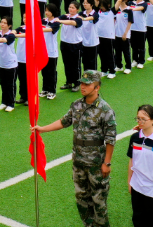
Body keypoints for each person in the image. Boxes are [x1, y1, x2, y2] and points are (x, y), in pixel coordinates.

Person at [32, 71, 117, 227]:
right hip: (78, 161)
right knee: (82, 200)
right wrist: (42, 129)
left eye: (87, 84)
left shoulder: (105, 110)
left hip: (96, 164)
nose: (82, 87)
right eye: (82, 83)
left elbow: (110, 139)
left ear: (97, 87)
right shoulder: (77, 105)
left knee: (99, 203)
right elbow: (64, 121)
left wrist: (107, 163)